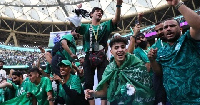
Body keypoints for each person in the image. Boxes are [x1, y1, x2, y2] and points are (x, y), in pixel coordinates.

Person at [68, 1, 122, 104]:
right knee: (88, 83)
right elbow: (72, 24)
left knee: (104, 81)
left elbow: (116, 20)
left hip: (101, 56)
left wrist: (118, 5)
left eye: (101, 12)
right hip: (89, 56)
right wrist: (77, 12)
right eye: (97, 11)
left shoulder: (105, 26)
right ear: (91, 14)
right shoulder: (86, 27)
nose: (99, 12)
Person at [148, 0, 200, 104]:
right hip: (173, 101)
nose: (168, 29)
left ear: (180, 28)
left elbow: (198, 25)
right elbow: (159, 72)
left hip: (195, 100)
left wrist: (178, 4)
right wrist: (152, 60)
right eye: (165, 27)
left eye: (172, 26)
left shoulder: (188, 39)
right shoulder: (161, 50)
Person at [85, 37, 155, 105]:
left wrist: (134, 90)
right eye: (116, 48)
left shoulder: (137, 65)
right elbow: (106, 92)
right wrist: (93, 94)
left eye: (122, 47)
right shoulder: (109, 69)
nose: (120, 50)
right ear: (111, 52)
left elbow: (146, 88)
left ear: (126, 50)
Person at [151, 21, 168, 105]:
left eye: (161, 29)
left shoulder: (179, 40)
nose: (159, 32)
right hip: (163, 83)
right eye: (157, 31)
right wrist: (152, 59)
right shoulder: (154, 47)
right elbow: (157, 71)